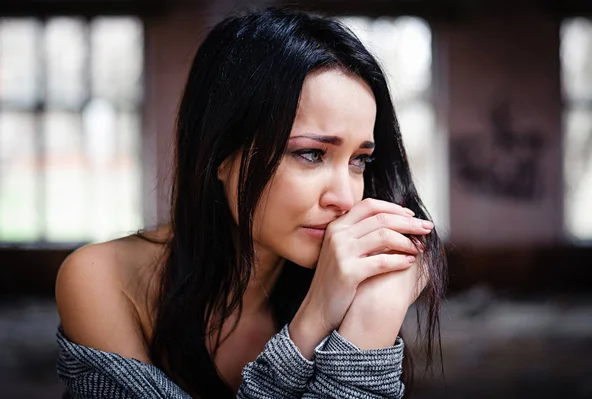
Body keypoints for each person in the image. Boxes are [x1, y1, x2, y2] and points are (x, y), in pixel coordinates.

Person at [55, 7, 447, 399]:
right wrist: (310, 325)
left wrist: (373, 316)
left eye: (360, 160)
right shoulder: (102, 279)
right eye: (311, 154)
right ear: (221, 154)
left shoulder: (357, 287)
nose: (346, 198)